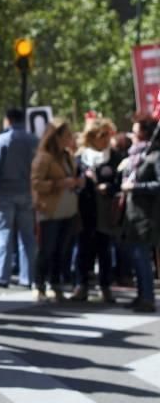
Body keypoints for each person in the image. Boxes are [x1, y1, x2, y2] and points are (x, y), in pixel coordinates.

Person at [0, 108, 39, 288]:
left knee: (4, 235)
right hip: (28, 192)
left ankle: (1, 276)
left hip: (5, 193)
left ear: (8, 120)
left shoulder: (2, 140)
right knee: (27, 236)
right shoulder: (34, 140)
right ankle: (28, 276)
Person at [31, 120, 83, 304]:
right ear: (57, 137)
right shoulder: (44, 157)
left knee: (61, 250)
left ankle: (55, 284)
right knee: (47, 250)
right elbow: (35, 183)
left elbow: (72, 176)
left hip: (68, 210)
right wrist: (58, 184)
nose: (70, 138)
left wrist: (77, 182)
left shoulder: (67, 156)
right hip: (50, 211)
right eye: (67, 135)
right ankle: (39, 285)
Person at [70, 116, 119, 303]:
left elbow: (119, 182)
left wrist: (109, 188)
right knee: (82, 248)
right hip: (84, 210)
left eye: (108, 134)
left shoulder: (114, 156)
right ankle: (81, 286)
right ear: (91, 136)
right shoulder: (79, 158)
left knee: (105, 250)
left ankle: (106, 287)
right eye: (102, 134)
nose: (106, 138)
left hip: (105, 212)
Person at [119, 116, 159, 313]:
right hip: (132, 214)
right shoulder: (138, 156)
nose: (132, 136)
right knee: (136, 257)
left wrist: (135, 186)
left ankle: (148, 298)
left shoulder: (155, 156)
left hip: (146, 216)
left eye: (135, 132)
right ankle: (141, 294)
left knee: (142, 257)